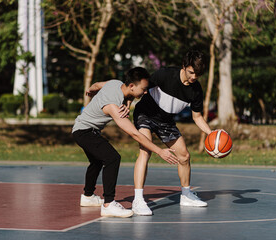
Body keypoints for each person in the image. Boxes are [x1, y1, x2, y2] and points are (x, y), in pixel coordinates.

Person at [72, 67, 179, 218]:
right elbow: (135, 134)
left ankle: (88, 197)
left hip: (82, 128)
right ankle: (108, 204)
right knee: (112, 158)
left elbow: (96, 85)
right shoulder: (113, 106)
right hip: (84, 132)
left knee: (97, 161)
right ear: (131, 86)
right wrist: (160, 151)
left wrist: (91, 91)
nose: (146, 92)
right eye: (143, 89)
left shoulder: (115, 83)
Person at [132, 50, 212, 216]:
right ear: (184, 66)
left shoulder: (196, 90)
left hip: (166, 122)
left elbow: (197, 117)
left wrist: (212, 134)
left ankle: (186, 195)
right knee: (145, 151)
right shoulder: (165, 74)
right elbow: (142, 87)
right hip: (145, 114)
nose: (194, 77)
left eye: (198, 74)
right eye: (191, 72)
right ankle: (138, 200)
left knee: (184, 156)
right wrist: (126, 101)